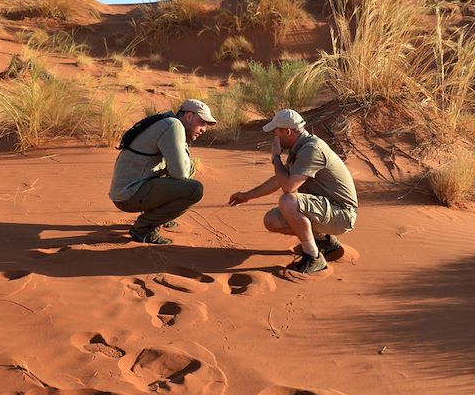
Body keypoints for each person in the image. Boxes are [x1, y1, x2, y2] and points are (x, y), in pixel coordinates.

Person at [228, 109, 358, 274]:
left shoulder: (311, 149)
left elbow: (288, 186)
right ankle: (323, 241)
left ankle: (314, 257)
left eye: (276, 132)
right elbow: (278, 180)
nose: (274, 136)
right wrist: (246, 196)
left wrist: (276, 158)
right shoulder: (300, 147)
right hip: (327, 209)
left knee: (288, 200)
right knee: (272, 220)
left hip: (342, 214)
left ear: (287, 131)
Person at [110, 99, 216, 244]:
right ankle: (143, 228)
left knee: (190, 168)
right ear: (189, 116)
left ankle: (159, 215)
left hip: (130, 189)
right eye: (202, 123)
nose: (204, 129)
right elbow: (180, 174)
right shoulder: (173, 125)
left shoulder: (167, 122)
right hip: (129, 194)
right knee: (194, 189)